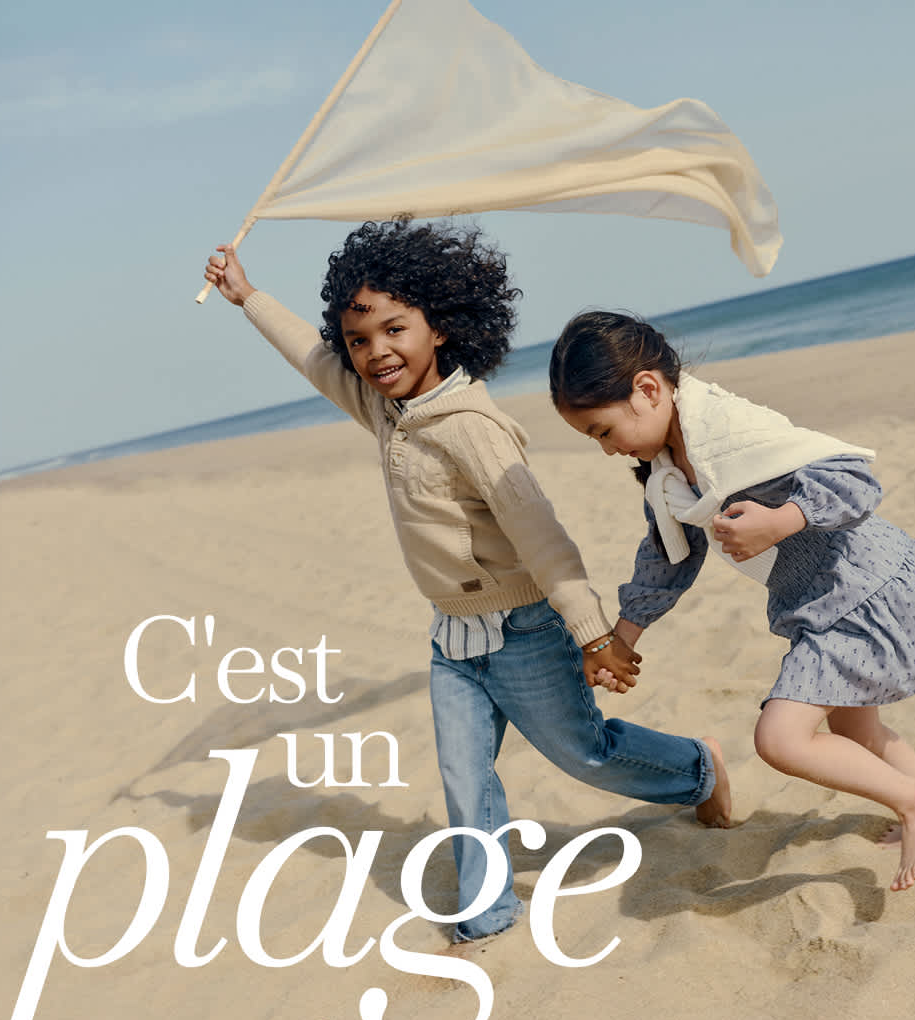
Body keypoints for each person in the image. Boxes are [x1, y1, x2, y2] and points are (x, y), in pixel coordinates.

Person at [203, 222, 731, 942]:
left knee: (585, 754)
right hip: (452, 637)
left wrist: (593, 633)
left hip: (525, 633)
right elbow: (311, 359)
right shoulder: (384, 409)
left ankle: (697, 770)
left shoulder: (472, 426)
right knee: (464, 775)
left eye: (395, 329)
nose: (375, 351)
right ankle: (484, 913)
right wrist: (247, 296)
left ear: (443, 328)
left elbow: (543, 540)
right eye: (359, 339)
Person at [548, 310, 915, 891]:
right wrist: (620, 640)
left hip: (858, 587)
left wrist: (782, 520)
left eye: (603, 432)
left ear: (647, 390)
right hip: (818, 604)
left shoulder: (729, 430)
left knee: (780, 739)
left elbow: (853, 479)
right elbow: (668, 558)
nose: (607, 451)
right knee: (854, 730)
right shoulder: (668, 473)